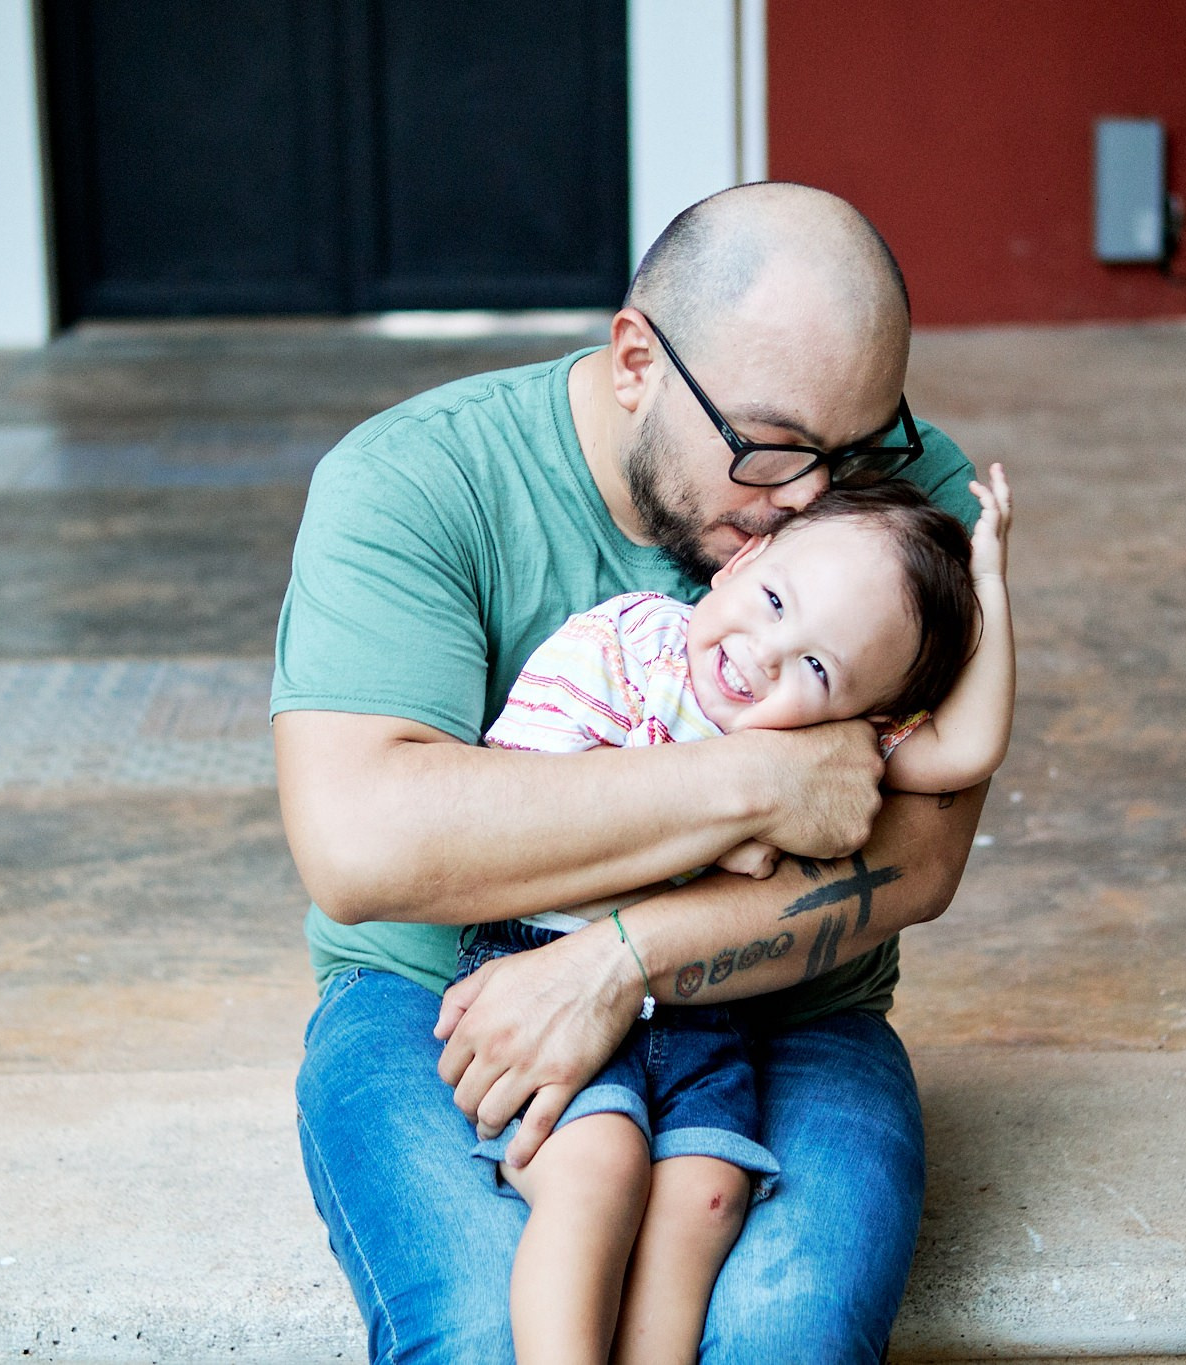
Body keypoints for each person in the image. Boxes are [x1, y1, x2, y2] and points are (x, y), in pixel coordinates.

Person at [276, 181, 993, 1363]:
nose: (809, 500)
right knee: (487, 1340)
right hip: (441, 1003)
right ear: (633, 364)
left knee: (783, 1344)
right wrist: (760, 786)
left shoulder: (905, 514)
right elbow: (362, 843)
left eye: (856, 447)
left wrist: (626, 959)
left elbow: (918, 859)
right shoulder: (411, 483)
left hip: (786, 1019)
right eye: (770, 449)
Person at [459, 472, 1014, 1365]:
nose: (766, 653)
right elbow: (514, 846)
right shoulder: (623, 650)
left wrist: (988, 580)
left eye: (817, 666)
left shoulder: (815, 745)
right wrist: (725, 836)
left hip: (701, 1010)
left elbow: (968, 750)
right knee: (599, 1174)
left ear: (861, 715)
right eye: (773, 600)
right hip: (547, 966)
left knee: (706, 1199)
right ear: (742, 560)